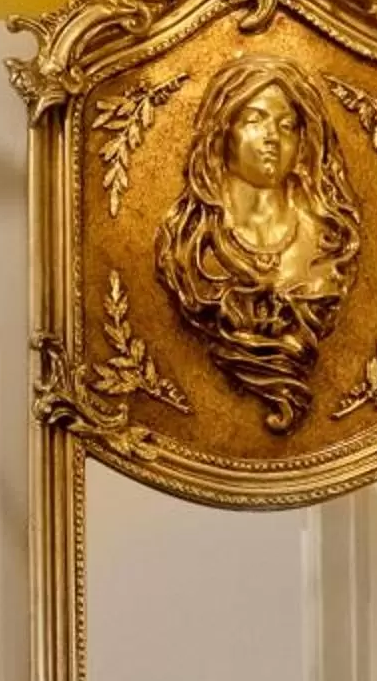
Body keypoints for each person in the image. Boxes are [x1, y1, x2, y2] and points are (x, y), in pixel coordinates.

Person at [154, 53, 361, 434]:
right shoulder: (190, 249)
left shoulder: (327, 241)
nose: (272, 138)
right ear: (222, 130)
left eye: (287, 126)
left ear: (303, 143)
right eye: (254, 120)